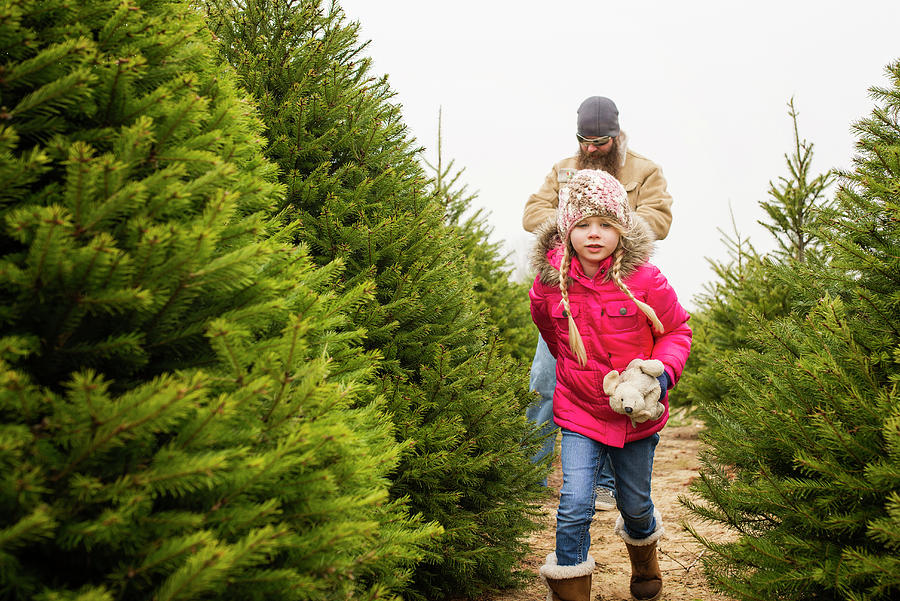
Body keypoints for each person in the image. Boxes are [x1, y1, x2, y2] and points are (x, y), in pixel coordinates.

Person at [529, 169, 691, 601]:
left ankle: (644, 559)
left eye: (605, 224)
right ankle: (570, 589)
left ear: (622, 228)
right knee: (574, 504)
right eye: (582, 224)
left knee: (635, 505)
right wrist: (576, 376)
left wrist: (661, 376)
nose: (594, 234)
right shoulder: (550, 286)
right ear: (567, 229)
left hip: (637, 414)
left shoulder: (645, 280)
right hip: (581, 411)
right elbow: (552, 336)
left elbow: (677, 331)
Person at [523, 96, 674, 511]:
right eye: (584, 140)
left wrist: (613, 228)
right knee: (543, 381)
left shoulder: (644, 171)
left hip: (620, 296)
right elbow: (533, 210)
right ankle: (530, 477)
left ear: (616, 134)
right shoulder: (562, 170)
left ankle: (608, 485)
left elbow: (659, 218)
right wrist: (569, 227)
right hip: (570, 294)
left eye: (601, 141)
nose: (592, 148)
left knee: (615, 390)